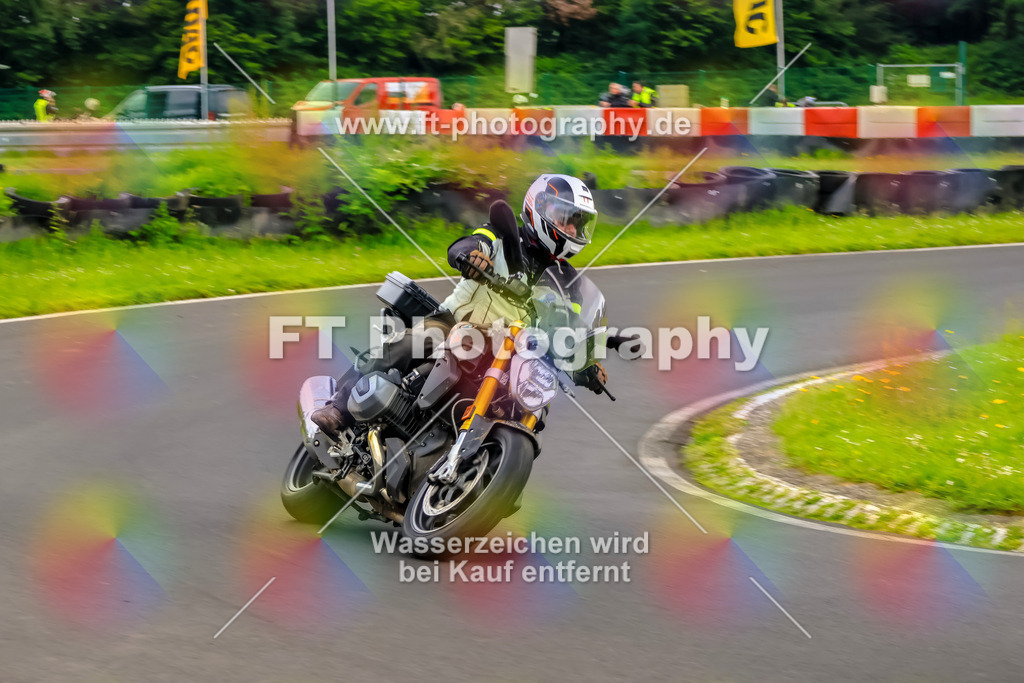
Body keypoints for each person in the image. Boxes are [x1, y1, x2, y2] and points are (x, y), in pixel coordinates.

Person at [311, 174, 607, 437]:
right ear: (539, 207)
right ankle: (338, 407)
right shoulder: (503, 235)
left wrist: (585, 364)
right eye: (564, 217)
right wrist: (473, 257)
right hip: (454, 323)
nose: (570, 227)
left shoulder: (570, 282)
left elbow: (570, 328)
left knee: (535, 405)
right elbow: (466, 245)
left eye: (576, 222)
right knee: (411, 345)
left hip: (510, 354)